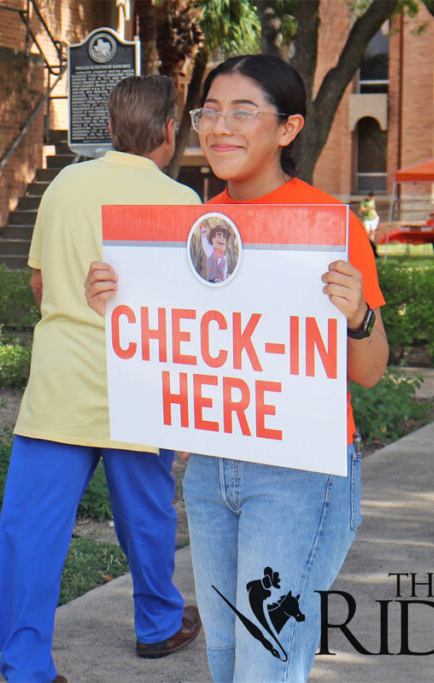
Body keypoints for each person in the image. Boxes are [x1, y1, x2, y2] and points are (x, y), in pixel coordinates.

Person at [85, 54, 388, 682]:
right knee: (226, 659)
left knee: (265, 665)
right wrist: (115, 303)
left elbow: (370, 370)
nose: (220, 127)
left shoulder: (326, 227)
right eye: (210, 111)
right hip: (211, 470)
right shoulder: (187, 230)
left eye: (243, 112)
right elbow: (171, 349)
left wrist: (357, 314)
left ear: (288, 128)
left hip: (300, 475)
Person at [0, 75, 203, 683]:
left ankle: (26, 665)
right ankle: (160, 624)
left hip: (63, 379)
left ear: (109, 129)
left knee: (31, 530)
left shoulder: (63, 185)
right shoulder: (183, 203)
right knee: (147, 514)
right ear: (170, 132)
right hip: (142, 384)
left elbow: (39, 282)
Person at [359, 191, 379, 255]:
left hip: (373, 218)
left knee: (372, 231)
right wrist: (368, 208)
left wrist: (376, 216)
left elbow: (373, 209)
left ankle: (371, 244)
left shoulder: (373, 201)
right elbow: (361, 210)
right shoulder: (364, 201)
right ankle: (366, 243)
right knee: (366, 232)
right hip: (366, 218)